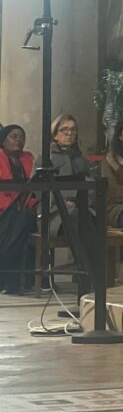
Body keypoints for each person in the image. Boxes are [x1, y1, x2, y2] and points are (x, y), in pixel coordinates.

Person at [37, 113, 98, 239]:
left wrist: (80, 201)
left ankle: (88, 252)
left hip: (82, 208)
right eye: (64, 129)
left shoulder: (81, 160)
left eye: (73, 129)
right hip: (53, 213)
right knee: (76, 218)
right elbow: (38, 189)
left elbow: (92, 186)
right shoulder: (45, 159)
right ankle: (80, 253)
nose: (69, 133)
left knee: (93, 220)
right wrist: (62, 202)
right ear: (55, 135)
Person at [0, 125, 37, 294]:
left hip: (27, 209)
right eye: (14, 136)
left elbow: (36, 188)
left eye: (22, 137)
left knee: (23, 220)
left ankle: (10, 278)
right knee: (18, 221)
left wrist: (29, 204)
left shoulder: (28, 158)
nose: (19, 140)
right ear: (3, 140)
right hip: (4, 209)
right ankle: (12, 279)